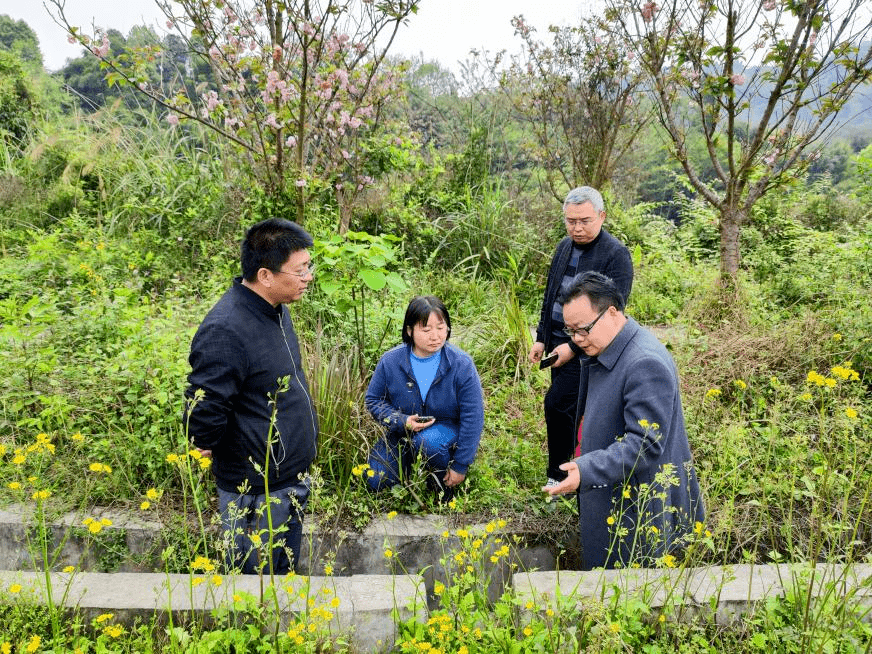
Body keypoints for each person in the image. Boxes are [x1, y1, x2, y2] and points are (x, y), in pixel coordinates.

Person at [183, 217, 318, 575]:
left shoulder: (274, 310)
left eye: (309, 266)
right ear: (265, 275)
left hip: (289, 476)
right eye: (300, 270)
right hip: (256, 489)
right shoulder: (225, 329)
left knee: (281, 572)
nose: (308, 277)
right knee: (252, 580)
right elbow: (205, 403)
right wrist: (204, 441)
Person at [542, 271, 704, 569]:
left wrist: (586, 469)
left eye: (582, 329)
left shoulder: (644, 362)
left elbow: (644, 444)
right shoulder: (611, 345)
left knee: (627, 594)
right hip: (616, 495)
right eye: (570, 331)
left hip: (637, 509)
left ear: (612, 313)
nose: (576, 340)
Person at [528, 186, 634, 490]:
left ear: (601, 216)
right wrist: (542, 337)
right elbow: (551, 296)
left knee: (558, 405)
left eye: (585, 220)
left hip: (589, 350)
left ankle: (562, 475)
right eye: (571, 221)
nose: (577, 227)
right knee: (569, 411)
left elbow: (613, 312)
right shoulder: (564, 247)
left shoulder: (615, 254)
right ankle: (572, 471)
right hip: (558, 343)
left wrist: (574, 346)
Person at [364, 296, 484, 501]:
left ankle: (441, 488)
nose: (435, 336)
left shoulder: (461, 364)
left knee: (428, 442)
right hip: (402, 432)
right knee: (374, 479)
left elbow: (473, 417)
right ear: (410, 330)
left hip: (446, 429)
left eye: (441, 327)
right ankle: (411, 471)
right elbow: (373, 400)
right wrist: (402, 421)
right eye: (426, 329)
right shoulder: (391, 361)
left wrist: (461, 465)